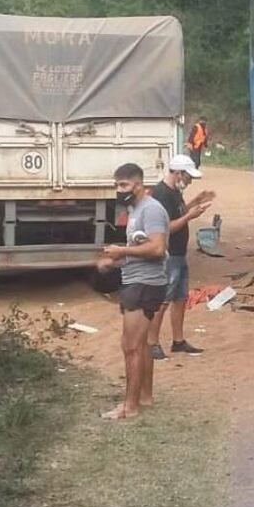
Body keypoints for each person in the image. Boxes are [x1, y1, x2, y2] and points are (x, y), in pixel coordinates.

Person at [97, 163, 169, 420]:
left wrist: (122, 251)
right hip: (137, 280)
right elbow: (141, 250)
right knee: (142, 344)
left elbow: (158, 249)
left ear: (138, 185)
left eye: (124, 185)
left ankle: (130, 407)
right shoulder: (135, 210)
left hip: (144, 284)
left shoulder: (151, 210)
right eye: (117, 185)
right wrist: (115, 262)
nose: (119, 190)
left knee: (131, 347)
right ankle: (145, 397)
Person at [148, 154, 215, 359]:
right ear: (177, 173)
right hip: (169, 254)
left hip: (179, 253)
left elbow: (178, 213)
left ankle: (178, 341)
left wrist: (194, 202)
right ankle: (152, 343)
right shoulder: (161, 194)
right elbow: (166, 226)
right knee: (163, 300)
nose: (189, 181)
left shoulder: (174, 191)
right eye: (188, 176)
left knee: (179, 298)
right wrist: (189, 216)